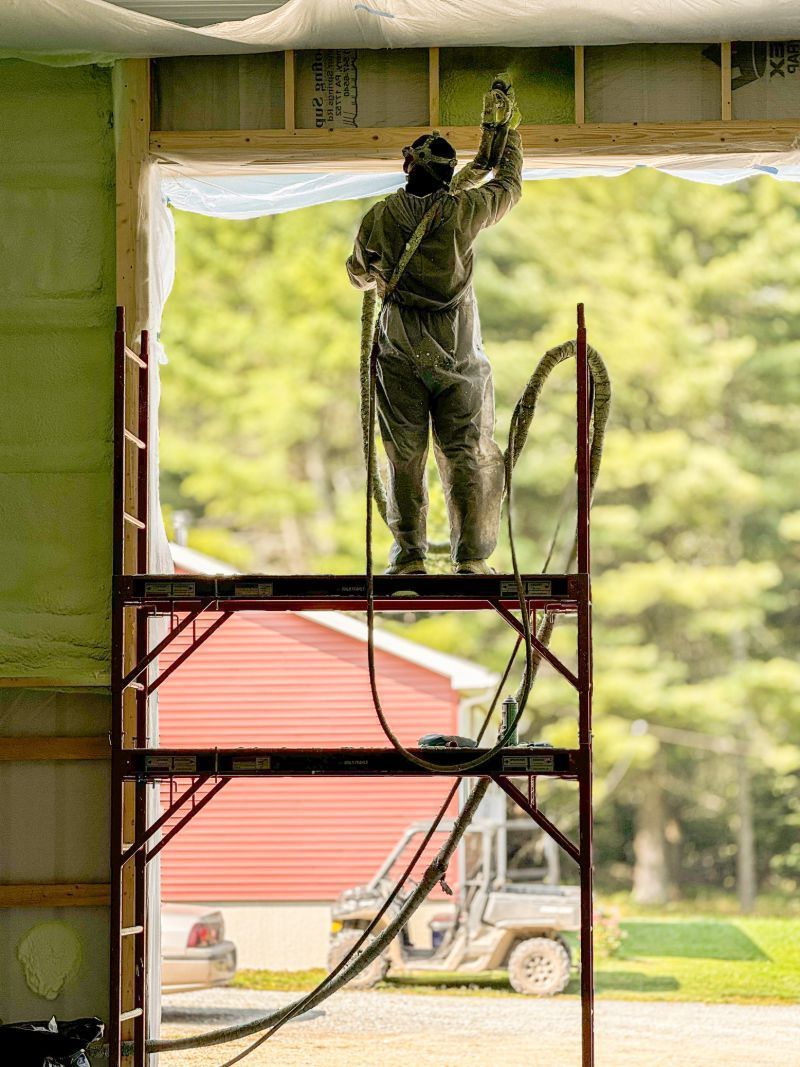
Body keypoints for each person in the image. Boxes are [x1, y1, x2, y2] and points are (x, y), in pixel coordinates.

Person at [346, 94, 523, 576]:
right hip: (460, 350)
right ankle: (472, 559)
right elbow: (509, 184)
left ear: (408, 166)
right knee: (466, 453)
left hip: (401, 349)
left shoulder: (380, 217)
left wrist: (382, 274)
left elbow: (358, 274)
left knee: (404, 455)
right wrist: (509, 131)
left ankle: (410, 558)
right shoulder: (465, 212)